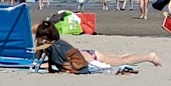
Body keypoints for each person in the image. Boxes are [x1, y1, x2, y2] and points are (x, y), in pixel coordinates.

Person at [34, 20, 162, 73]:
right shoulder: (50, 45)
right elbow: (39, 58)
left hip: (92, 58)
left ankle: (150, 57)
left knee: (124, 61)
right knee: (121, 58)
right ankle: (129, 55)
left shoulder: (56, 46)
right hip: (87, 54)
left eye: (40, 38)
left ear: (46, 38)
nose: (38, 40)